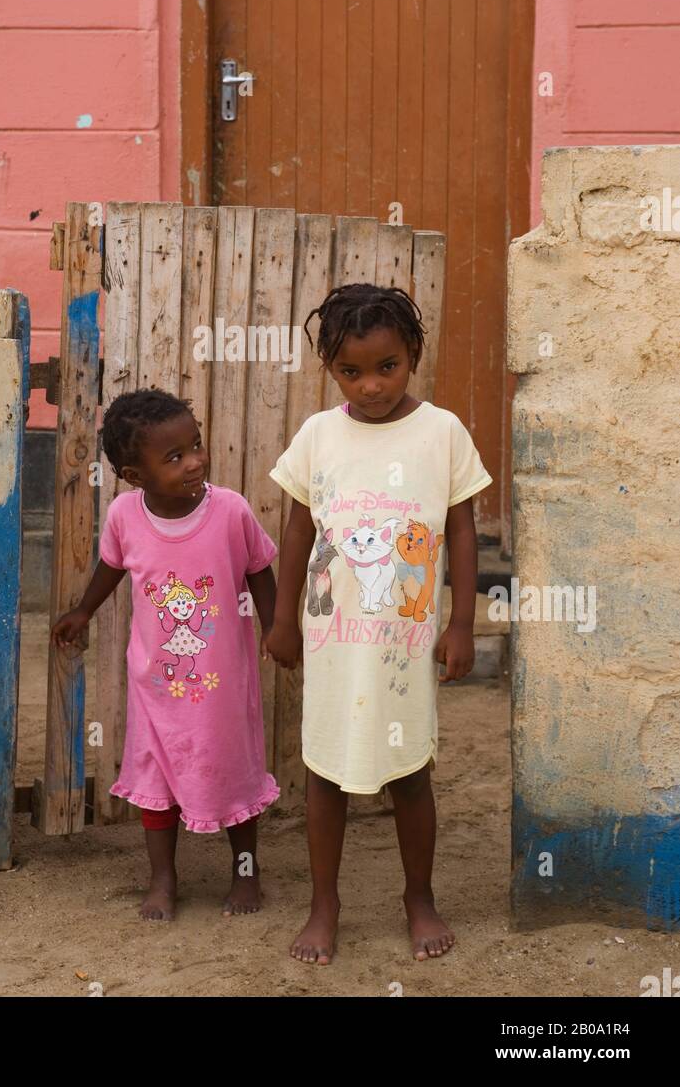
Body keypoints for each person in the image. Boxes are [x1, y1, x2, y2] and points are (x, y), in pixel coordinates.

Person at [265, 283, 492, 965]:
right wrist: (281, 618)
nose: (369, 386)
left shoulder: (441, 431)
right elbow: (297, 529)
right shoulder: (317, 435)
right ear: (331, 370)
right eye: (350, 372)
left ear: (413, 354)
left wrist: (460, 623)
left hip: (403, 646)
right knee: (326, 774)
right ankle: (323, 904)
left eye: (385, 367)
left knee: (410, 771)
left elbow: (460, 529)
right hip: (334, 642)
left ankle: (417, 898)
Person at [52, 388, 279, 921]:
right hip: (153, 686)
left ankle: (246, 872)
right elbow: (111, 566)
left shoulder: (230, 511)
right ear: (135, 475)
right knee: (154, 781)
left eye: (195, 446)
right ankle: (162, 880)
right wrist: (84, 610)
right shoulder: (125, 516)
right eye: (174, 457)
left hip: (223, 688)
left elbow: (259, 569)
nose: (195, 461)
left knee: (234, 774)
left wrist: (276, 628)